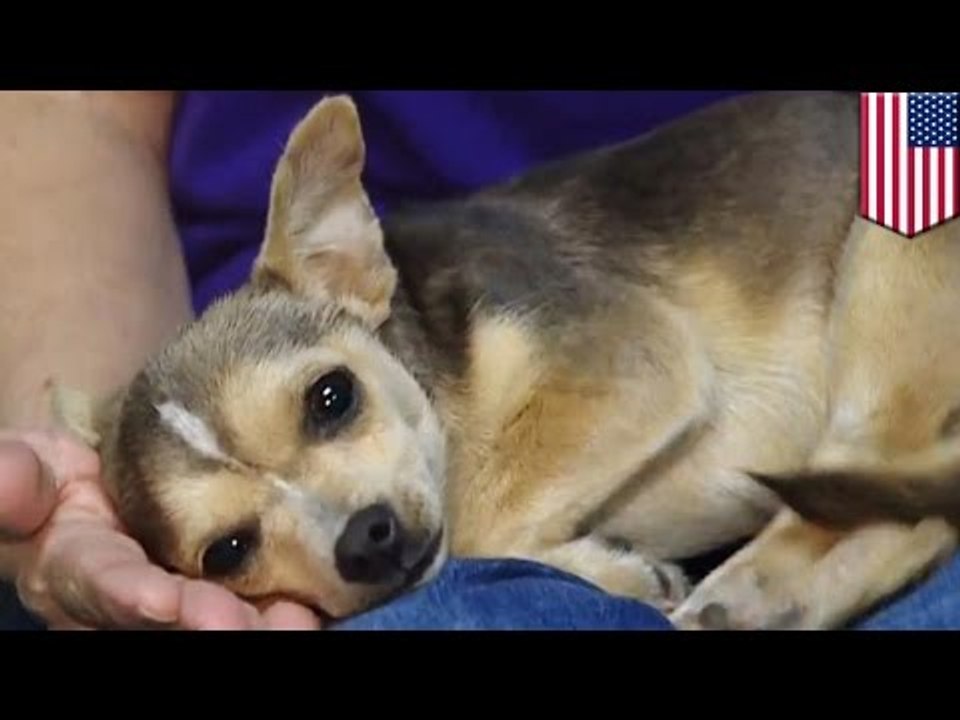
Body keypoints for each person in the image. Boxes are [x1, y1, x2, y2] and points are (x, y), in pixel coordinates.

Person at [2, 90, 959, 631]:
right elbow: (64, 117)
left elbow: (648, 368)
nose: (349, 526)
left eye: (331, 403)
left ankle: (865, 522)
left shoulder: (483, 299)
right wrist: (70, 487)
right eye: (237, 548)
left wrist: (486, 532)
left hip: (885, 162)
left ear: (348, 272)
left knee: (923, 137)